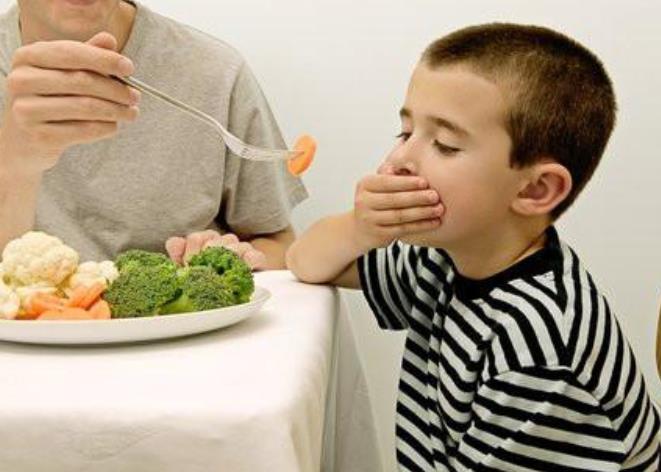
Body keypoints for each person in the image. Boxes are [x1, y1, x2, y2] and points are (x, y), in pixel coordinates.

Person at [287, 23, 660, 470]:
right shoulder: (442, 258)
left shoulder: (539, 356)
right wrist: (358, 229)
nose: (398, 161)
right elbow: (307, 263)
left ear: (537, 190)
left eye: (444, 145)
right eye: (405, 134)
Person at [0, 0, 307, 268]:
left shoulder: (214, 72)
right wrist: (14, 163)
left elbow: (280, 244)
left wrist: (234, 260)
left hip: (190, 331)